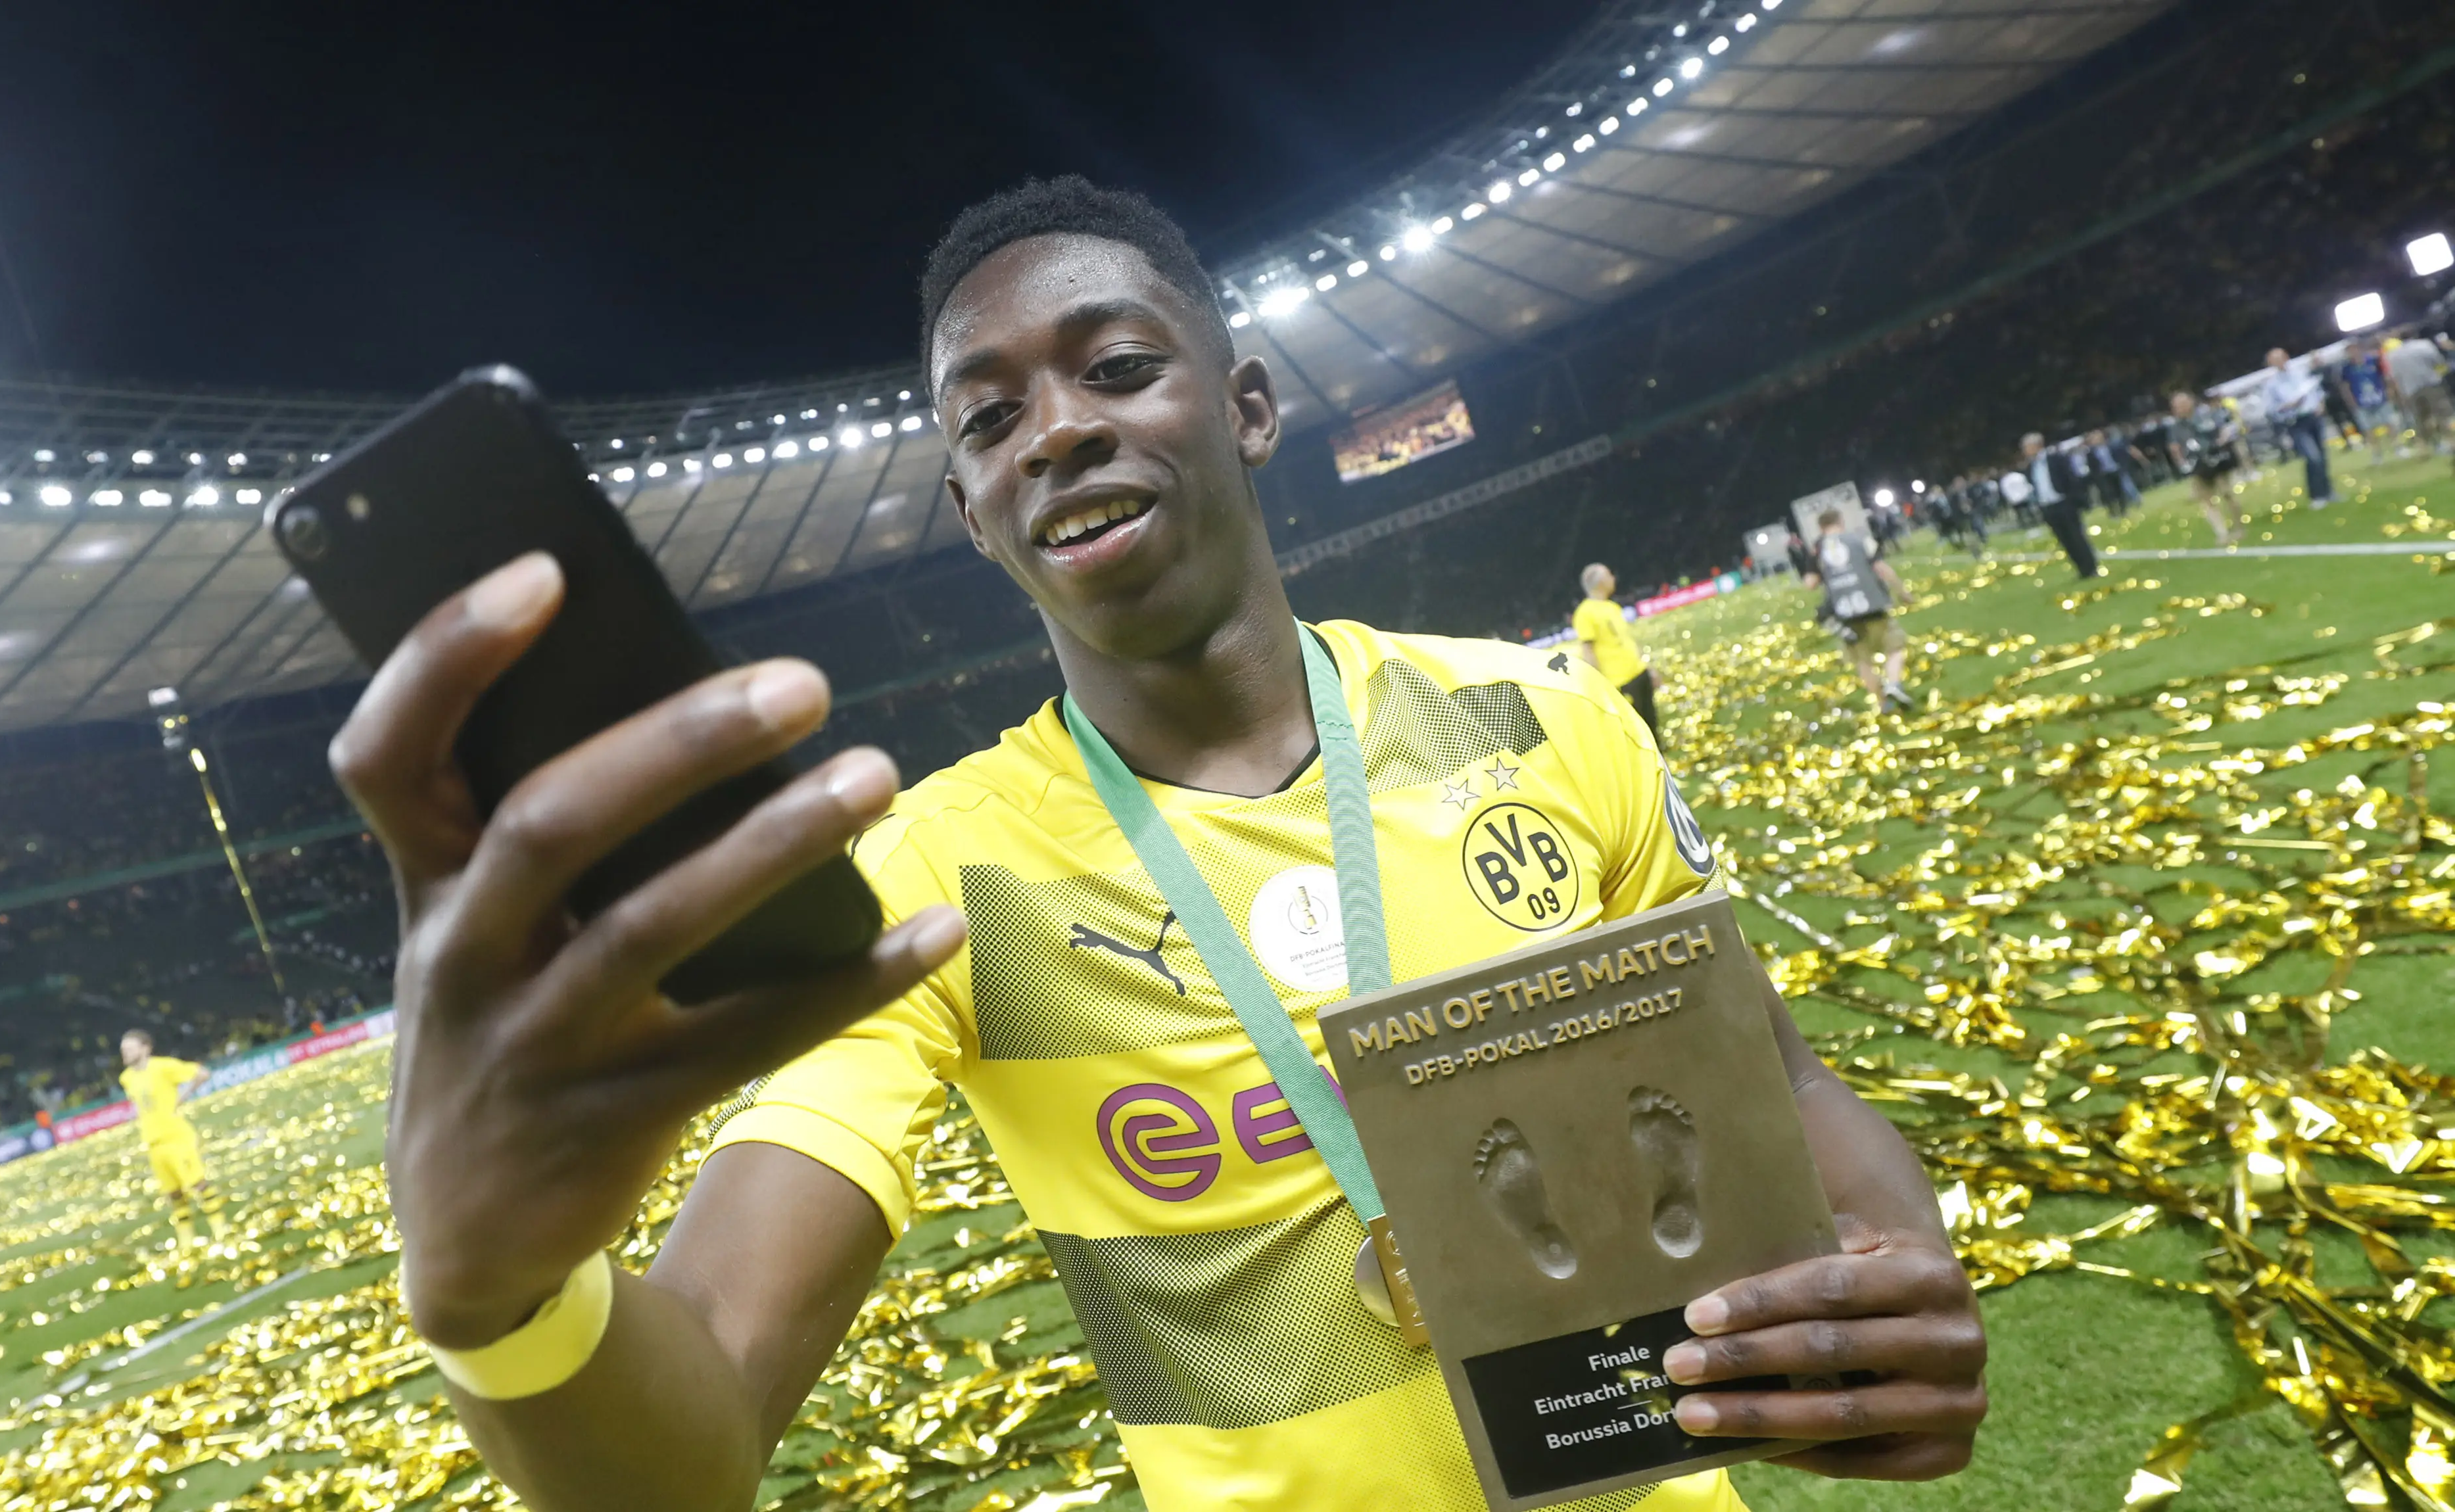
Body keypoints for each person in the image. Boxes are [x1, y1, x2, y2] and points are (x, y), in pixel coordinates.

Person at [337, 177, 1984, 1512]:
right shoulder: (937, 881)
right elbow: (696, 1428)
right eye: (988, 423)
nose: (1050, 429)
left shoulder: (1539, 720)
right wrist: (499, 1299)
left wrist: (1891, 1279)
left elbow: (1790, 1094)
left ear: (1248, 404)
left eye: (1116, 368)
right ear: (976, 511)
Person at [116, 1029, 227, 1250]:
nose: (125, 1054)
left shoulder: (163, 1066)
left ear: (146, 1048)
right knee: (173, 1193)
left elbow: (202, 1074)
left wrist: (182, 1098)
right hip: (153, 1142)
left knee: (197, 1183)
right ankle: (186, 1239)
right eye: (123, 1050)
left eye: (129, 1048)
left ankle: (220, 1228)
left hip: (176, 1136)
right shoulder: (126, 1078)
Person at [1811, 508, 1915, 711]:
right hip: (1873, 605)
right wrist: (1902, 592)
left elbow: (1810, 583)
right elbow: (1881, 568)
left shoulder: (1818, 550)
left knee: (1863, 662)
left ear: (1821, 528)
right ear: (1840, 522)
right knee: (1895, 648)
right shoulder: (1859, 539)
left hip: (1845, 614)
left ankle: (1883, 705)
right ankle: (1893, 684)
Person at [1571, 562, 1659, 739]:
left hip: (1639, 673)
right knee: (1637, 735)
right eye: (1609, 575)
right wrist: (1600, 688)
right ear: (1600, 581)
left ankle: (1662, 764)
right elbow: (1589, 652)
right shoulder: (1585, 613)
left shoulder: (1612, 607)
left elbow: (1627, 641)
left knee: (1652, 728)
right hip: (1620, 682)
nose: (1613, 578)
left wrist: (1648, 669)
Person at [2257, 348, 2335, 508]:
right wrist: (2287, 406)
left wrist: (2320, 404)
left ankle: (2327, 491)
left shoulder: (2300, 373)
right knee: (2313, 457)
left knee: (2321, 456)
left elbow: (2316, 390)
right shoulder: (2271, 385)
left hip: (2312, 417)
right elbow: (2271, 409)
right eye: (2275, 360)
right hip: (2295, 422)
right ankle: (2318, 495)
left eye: (2281, 358)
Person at [2020, 431, 2099, 579]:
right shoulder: (2031, 467)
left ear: (2037, 446)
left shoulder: (2055, 459)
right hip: (2048, 507)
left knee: (2076, 536)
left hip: (2063, 502)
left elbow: (2070, 478)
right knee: (2064, 540)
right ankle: (2081, 569)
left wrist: (2075, 499)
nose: (2025, 451)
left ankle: (2091, 567)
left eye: (2027, 447)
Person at [2166, 391, 2240, 547]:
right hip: (2198, 466)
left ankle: (2238, 526)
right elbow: (2175, 447)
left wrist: (2221, 444)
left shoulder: (2206, 416)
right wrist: (2182, 464)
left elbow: (2224, 430)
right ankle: (2222, 533)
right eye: (2177, 406)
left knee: (2227, 494)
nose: (2181, 408)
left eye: (2183, 404)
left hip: (2217, 461)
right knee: (2207, 500)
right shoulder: (2175, 427)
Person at [2386, 334, 2455, 454]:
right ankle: (2451, 443)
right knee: (2444, 416)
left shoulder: (2393, 355)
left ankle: (2423, 449)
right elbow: (2438, 361)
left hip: (2410, 390)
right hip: (2431, 385)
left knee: (2421, 420)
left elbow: (2395, 377)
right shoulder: (2424, 345)